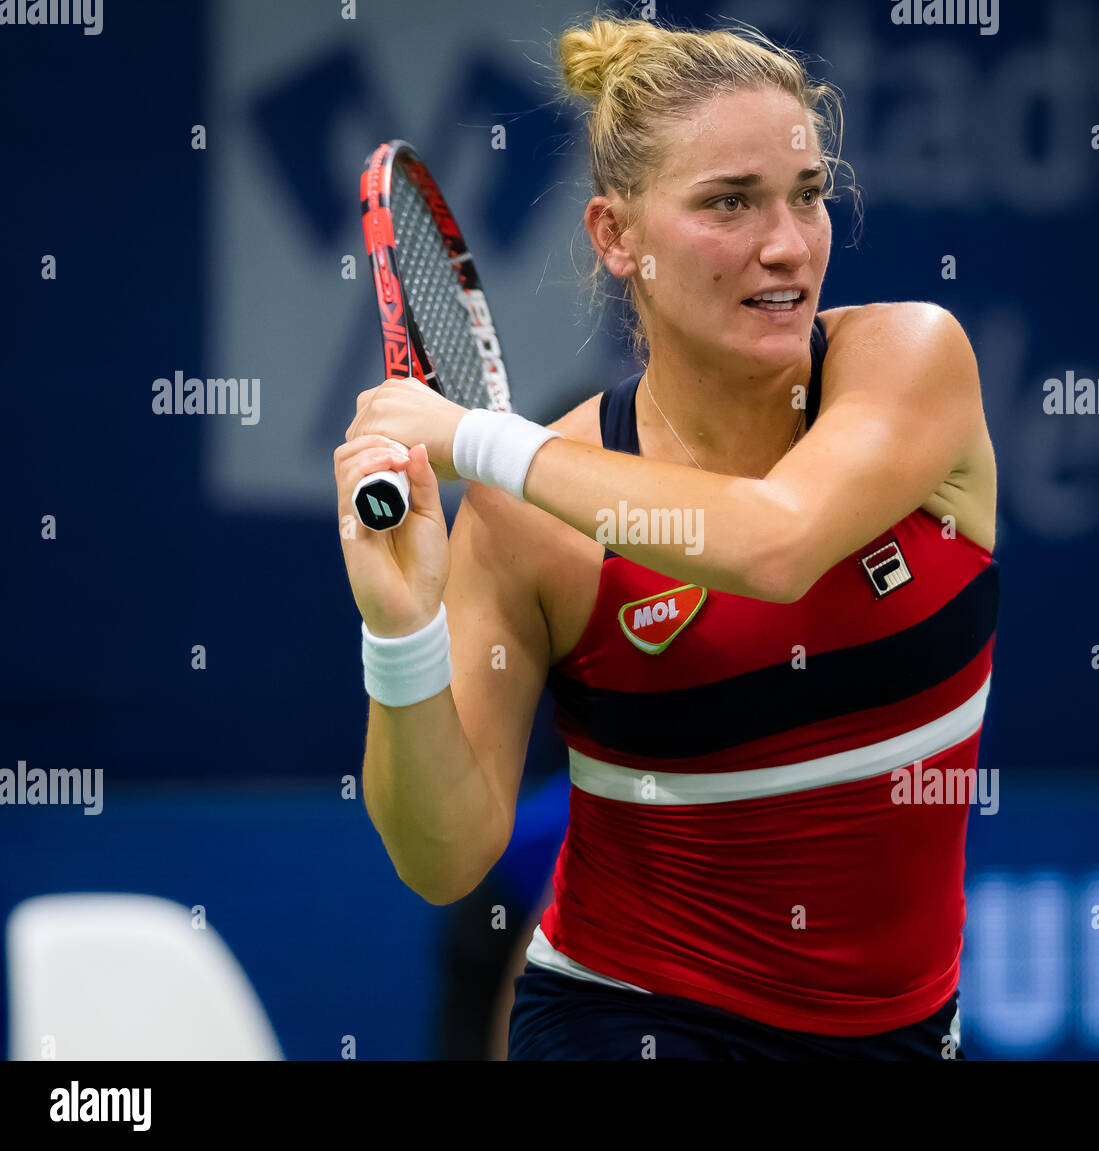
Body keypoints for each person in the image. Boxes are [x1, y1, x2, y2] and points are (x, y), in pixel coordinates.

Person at [334, 13, 999, 1060]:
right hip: (629, 1017)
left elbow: (777, 543)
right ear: (616, 235)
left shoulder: (909, 360)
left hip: (902, 1034)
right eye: (728, 203)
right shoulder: (533, 514)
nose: (786, 243)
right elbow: (444, 856)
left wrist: (474, 439)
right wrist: (400, 627)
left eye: (807, 196)